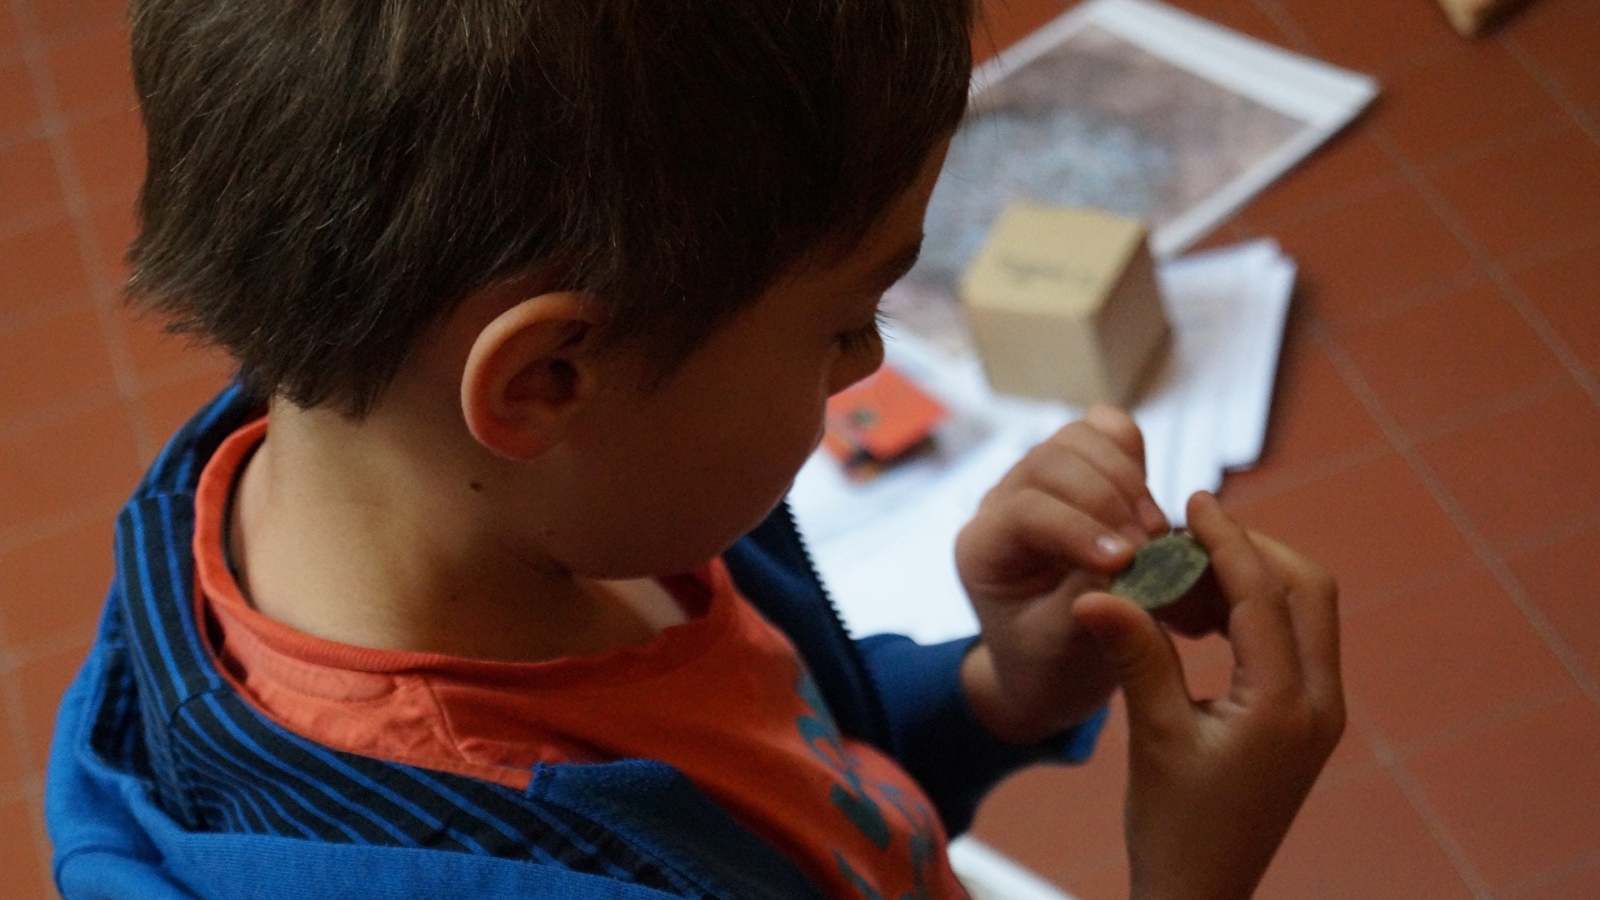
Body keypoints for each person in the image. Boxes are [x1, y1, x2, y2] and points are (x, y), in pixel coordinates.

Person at [45, 1, 1344, 898]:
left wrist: (996, 695)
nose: (870, 370)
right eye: (847, 322)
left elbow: (773, 772)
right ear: (551, 377)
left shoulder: (540, 488)